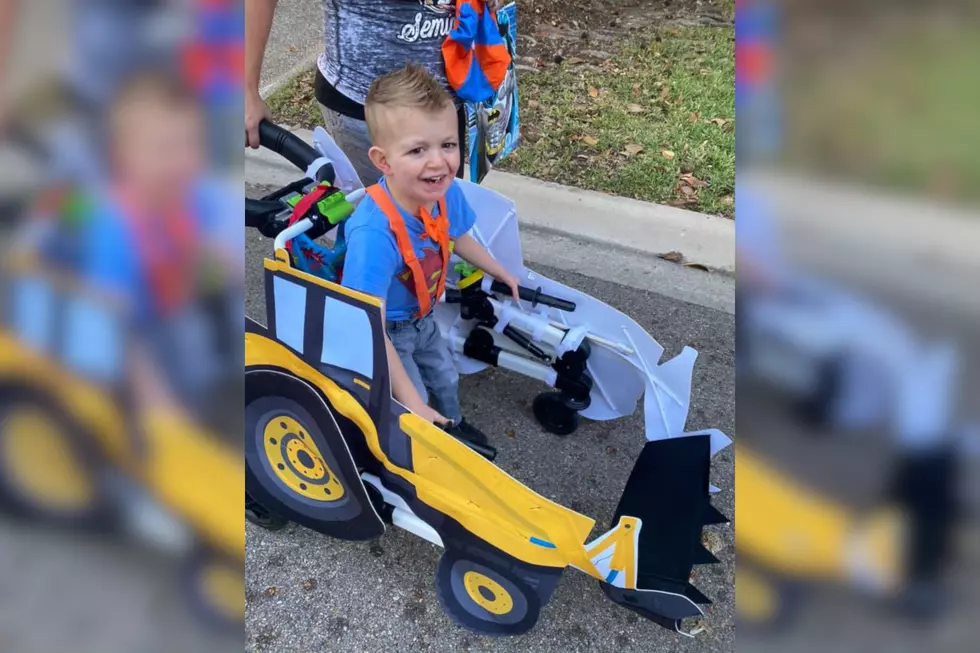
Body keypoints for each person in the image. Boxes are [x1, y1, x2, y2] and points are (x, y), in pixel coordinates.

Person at [340, 63, 518, 444]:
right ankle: (419, 451)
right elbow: (367, 322)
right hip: (389, 330)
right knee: (412, 400)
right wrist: (410, 401)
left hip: (424, 317)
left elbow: (458, 237)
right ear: (383, 161)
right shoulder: (374, 234)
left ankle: (452, 428)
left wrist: (500, 270)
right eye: (418, 149)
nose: (439, 162)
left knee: (446, 377)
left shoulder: (442, 190)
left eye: (448, 145)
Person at [77, 71, 243, 416]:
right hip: (130, 339)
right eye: (163, 149)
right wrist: (158, 409)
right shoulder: (114, 227)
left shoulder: (197, 196)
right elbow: (117, 329)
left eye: (190, 144)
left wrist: (221, 257)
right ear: (122, 156)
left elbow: (229, 260)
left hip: (179, 312)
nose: (180, 161)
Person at [245, 0, 505, 184]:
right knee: (375, 233)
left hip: (445, 104)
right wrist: (245, 89)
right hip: (363, 107)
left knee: (435, 224)